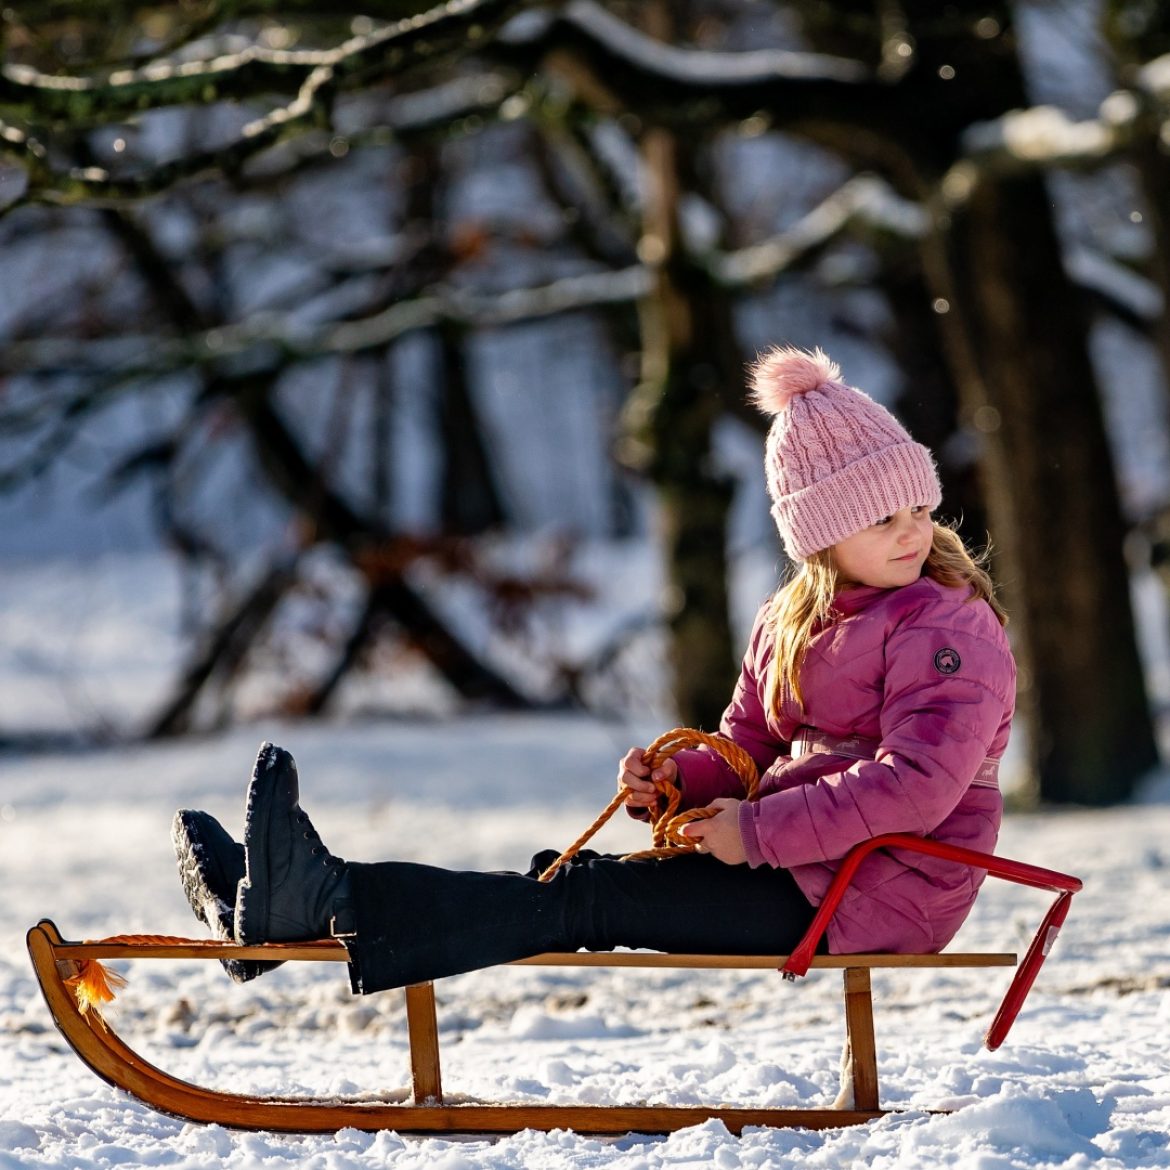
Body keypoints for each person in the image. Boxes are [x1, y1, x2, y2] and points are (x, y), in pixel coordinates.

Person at [172, 346, 1015, 995]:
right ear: (819, 534)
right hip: (799, 865)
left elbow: (917, 785)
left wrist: (755, 834)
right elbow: (748, 744)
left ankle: (311, 902)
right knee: (569, 884)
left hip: (878, 889)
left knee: (585, 899)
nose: (911, 532)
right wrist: (677, 783)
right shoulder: (791, 619)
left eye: (919, 508)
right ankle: (300, 902)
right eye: (881, 518)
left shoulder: (948, 627)